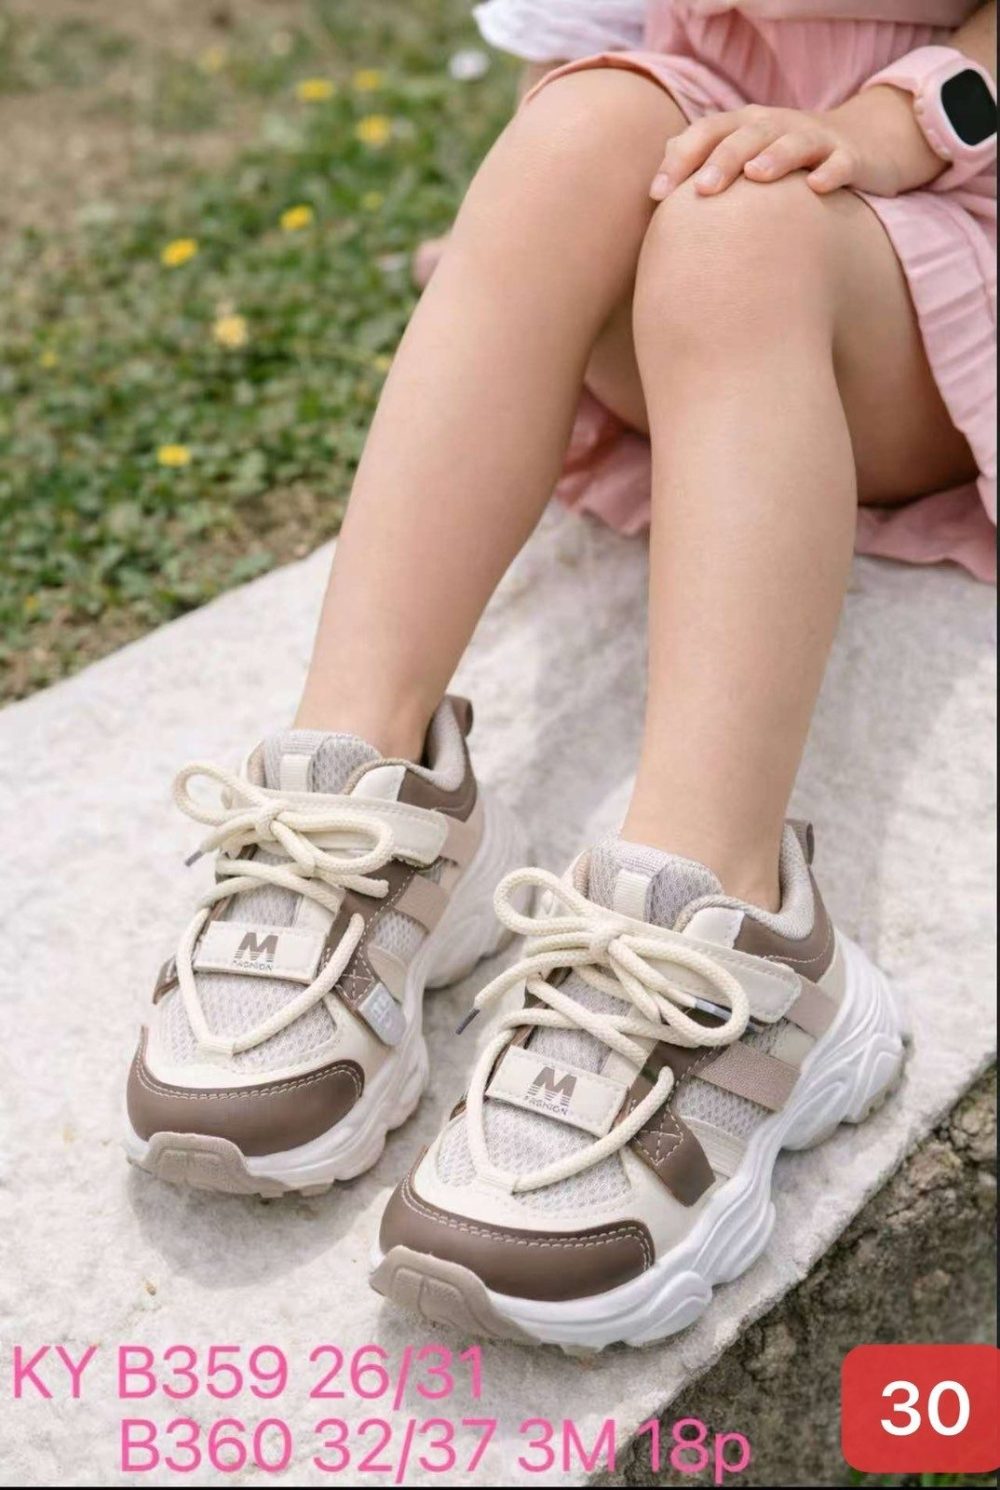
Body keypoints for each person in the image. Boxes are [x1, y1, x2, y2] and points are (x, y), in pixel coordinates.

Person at [125, 0, 996, 1350]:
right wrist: (525, 243)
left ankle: (724, 928)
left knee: (737, 234)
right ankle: (367, 790)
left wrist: (901, 123)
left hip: (935, 221)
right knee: (571, 136)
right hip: (707, 204)